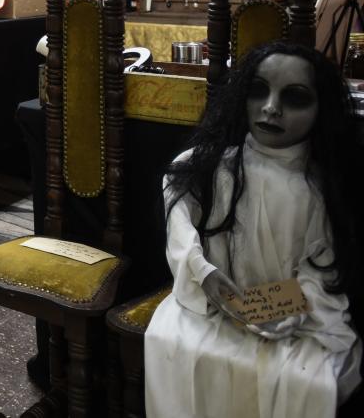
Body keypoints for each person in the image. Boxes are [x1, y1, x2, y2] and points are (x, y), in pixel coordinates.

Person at [144, 42, 362, 418]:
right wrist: (202, 270)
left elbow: (322, 268)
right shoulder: (215, 168)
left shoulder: (321, 189)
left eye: (294, 98)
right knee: (176, 347)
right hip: (208, 308)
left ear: (320, 109)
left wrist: (288, 307)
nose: (270, 108)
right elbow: (177, 206)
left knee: (301, 381)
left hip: (294, 316)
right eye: (259, 91)